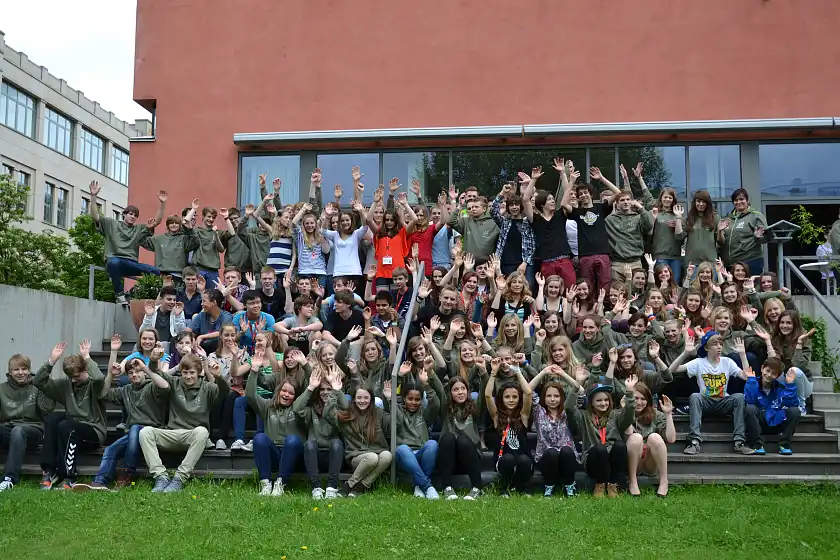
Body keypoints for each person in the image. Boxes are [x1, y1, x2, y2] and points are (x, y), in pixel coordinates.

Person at [76, 346, 170, 491]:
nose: (134, 375)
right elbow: (103, 395)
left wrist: (145, 368)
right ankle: (100, 482)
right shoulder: (126, 390)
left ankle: (127, 473)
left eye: (137, 371)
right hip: (133, 434)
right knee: (111, 449)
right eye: (130, 373)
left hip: (154, 432)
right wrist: (111, 376)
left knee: (134, 429)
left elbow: (165, 387)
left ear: (144, 372)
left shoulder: (152, 386)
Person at [139, 355, 229, 492]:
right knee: (145, 432)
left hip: (193, 436)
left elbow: (224, 391)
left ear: (198, 373)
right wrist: (152, 359)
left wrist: (219, 377)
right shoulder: (175, 382)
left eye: (192, 372)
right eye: (185, 373)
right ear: (181, 372)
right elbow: (156, 371)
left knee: (202, 431)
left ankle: (179, 479)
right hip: (171, 433)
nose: (188, 376)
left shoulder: (207, 387)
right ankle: (160, 477)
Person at [669, 332, 755, 456]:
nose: (719, 346)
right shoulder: (699, 362)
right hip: (705, 403)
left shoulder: (727, 362)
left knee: (739, 397)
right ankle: (694, 441)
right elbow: (672, 370)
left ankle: (739, 442)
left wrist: (742, 355)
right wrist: (685, 353)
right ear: (706, 347)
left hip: (723, 402)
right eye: (715, 344)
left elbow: (746, 376)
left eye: (721, 343)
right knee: (695, 396)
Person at [35, 340, 106, 490]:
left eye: (78, 375)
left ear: (85, 369)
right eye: (71, 376)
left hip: (93, 431)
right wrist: (51, 361)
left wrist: (86, 356)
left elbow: (100, 377)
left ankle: (68, 477)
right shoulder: (66, 384)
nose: (75, 379)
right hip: (70, 429)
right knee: (53, 418)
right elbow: (38, 381)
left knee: (67, 426)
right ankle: (49, 471)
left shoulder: (95, 384)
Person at [89, 180, 166, 304]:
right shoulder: (111, 224)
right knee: (113, 262)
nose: (133, 217)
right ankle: (119, 294)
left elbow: (156, 221)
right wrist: (93, 196)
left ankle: (131, 293)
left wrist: (162, 203)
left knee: (156, 272)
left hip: (131, 264)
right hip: (115, 261)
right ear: (124, 214)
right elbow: (95, 216)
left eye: (135, 215)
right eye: (130, 214)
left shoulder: (138, 229)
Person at [565, 376, 635, 498]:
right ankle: (600, 484)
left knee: (620, 445)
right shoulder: (583, 417)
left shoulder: (615, 415)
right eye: (598, 401)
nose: (603, 403)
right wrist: (577, 385)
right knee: (599, 448)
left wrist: (629, 392)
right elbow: (569, 408)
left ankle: (613, 484)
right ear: (591, 402)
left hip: (611, 461)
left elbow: (629, 415)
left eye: (606, 400)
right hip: (594, 461)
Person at [324, 374, 392, 498]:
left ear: (371, 399)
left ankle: (361, 486)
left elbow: (395, 423)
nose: (362, 401)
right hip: (357, 457)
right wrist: (335, 391)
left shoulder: (378, 413)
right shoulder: (347, 415)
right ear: (354, 399)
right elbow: (327, 414)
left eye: (366, 398)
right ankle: (349, 486)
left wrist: (390, 400)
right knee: (372, 457)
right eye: (359, 397)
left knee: (387, 455)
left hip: (377, 454)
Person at [246, 359, 305, 496]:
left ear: (296, 397)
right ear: (278, 391)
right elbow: (250, 396)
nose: (286, 395)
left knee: (293, 440)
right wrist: (254, 371)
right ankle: (266, 484)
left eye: (291, 393)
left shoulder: (299, 409)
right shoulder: (267, 406)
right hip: (274, 455)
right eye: (284, 391)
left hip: (294, 456)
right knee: (259, 438)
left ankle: (280, 483)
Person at [385, 366, 442, 500]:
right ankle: (428, 487)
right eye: (410, 398)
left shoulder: (424, 412)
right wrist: (391, 398)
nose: (413, 402)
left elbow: (436, 404)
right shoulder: (397, 409)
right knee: (403, 448)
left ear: (421, 400)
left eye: (417, 399)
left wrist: (426, 385)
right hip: (403, 456)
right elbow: (397, 420)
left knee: (432, 443)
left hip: (421, 454)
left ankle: (419, 486)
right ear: (404, 398)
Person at [0, 353, 54, 492]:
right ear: (10, 372)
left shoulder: (37, 386)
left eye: (24, 369)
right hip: (8, 428)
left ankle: (9, 478)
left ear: (29, 370)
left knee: (18, 431)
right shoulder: (2, 389)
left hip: (33, 430)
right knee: (14, 430)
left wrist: (46, 388)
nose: (20, 373)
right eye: (16, 370)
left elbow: (47, 408)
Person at [528, 365, 581, 497]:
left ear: (562, 397)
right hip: (546, 459)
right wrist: (543, 372)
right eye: (549, 396)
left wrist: (563, 374)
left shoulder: (567, 411)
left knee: (566, 450)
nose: (552, 399)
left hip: (567, 459)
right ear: (543, 398)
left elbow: (580, 392)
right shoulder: (538, 411)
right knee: (551, 452)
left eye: (556, 396)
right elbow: (527, 391)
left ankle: (570, 487)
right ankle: (549, 487)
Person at [435, 372, 488, 500]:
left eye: (463, 388)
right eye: (455, 389)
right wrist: (431, 373)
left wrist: (484, 372)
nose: (460, 392)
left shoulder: (475, 407)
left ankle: (477, 488)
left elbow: (484, 389)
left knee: (463, 440)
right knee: (448, 438)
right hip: (449, 461)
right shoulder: (446, 408)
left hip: (470, 459)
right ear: (450, 393)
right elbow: (439, 390)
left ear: (467, 391)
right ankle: (447, 488)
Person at [522, 167, 576, 291]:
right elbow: (525, 199)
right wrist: (534, 179)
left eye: (553, 199)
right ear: (542, 203)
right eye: (550, 199)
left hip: (564, 260)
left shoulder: (560, 215)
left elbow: (566, 196)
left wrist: (563, 174)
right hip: (547, 263)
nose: (553, 201)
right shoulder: (535, 219)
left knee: (570, 291)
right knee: (549, 293)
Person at [293, 370, 345, 499]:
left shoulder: (337, 409)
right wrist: (310, 388)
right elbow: (296, 408)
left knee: (337, 443)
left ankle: (331, 487)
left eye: (329, 389)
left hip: (334, 457)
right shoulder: (312, 409)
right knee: (309, 444)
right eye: (322, 389)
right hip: (314, 457)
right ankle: (316, 487)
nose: (326, 392)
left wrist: (337, 391)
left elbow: (347, 407)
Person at [570, 164, 622, 293]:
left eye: (585, 192)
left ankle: (603, 309)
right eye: (580, 194)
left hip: (602, 253)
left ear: (591, 194)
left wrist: (601, 178)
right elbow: (564, 204)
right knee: (587, 287)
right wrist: (571, 182)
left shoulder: (601, 208)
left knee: (605, 285)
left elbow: (618, 193)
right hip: (585, 255)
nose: (583, 195)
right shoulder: (577, 212)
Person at [485, 357, 533, 496]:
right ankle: (505, 487)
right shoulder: (496, 417)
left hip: (523, 461)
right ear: (501, 399)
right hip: (503, 461)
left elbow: (528, 393)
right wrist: (493, 372)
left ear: (519, 399)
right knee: (509, 459)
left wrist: (517, 371)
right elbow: (488, 395)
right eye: (507, 397)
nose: (511, 400)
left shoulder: (523, 416)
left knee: (523, 460)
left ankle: (520, 487)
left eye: (514, 397)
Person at [627, 384, 676, 497]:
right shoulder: (621, 413)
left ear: (648, 400)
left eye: (643, 399)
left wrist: (668, 414)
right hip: (633, 461)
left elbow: (671, 438)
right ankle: (633, 482)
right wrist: (628, 410)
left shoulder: (655, 414)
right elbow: (628, 433)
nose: (639, 402)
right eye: (635, 398)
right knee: (636, 438)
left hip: (650, 461)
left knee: (655, 437)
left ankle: (664, 482)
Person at [744, 358, 801, 455]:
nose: (769, 375)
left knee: (795, 411)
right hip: (759, 424)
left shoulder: (781, 387)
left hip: (776, 422)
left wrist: (790, 384)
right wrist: (752, 381)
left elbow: (793, 404)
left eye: (773, 373)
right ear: (762, 368)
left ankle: (784, 444)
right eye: (767, 371)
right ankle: (757, 444)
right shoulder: (753, 382)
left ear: (778, 376)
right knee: (750, 408)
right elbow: (749, 400)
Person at [490, 183, 536, 285]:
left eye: (516, 205)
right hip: (507, 263)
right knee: (507, 289)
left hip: (525, 263)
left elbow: (533, 246)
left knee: (528, 287)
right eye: (511, 205)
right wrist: (503, 193)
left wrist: (525, 263)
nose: (514, 207)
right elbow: (493, 211)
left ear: (521, 206)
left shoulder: (528, 222)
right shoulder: (505, 222)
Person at [605, 190, 654, 284]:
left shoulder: (638, 217)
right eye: (622, 200)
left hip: (635, 262)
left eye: (628, 199)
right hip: (617, 263)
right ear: (617, 203)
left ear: (632, 201)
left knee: (636, 292)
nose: (626, 202)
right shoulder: (609, 220)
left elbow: (649, 224)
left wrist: (640, 207)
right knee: (618, 292)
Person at [718, 188, 768, 273]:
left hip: (750, 262)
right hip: (730, 265)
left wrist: (758, 237)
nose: (738, 202)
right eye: (736, 200)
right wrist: (719, 231)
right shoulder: (728, 219)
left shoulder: (756, 216)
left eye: (741, 199)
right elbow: (721, 242)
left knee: (749, 286)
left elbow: (766, 237)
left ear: (747, 200)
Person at [443, 189, 500, 262]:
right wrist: (460, 206)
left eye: (476, 207)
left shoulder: (493, 222)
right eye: (472, 207)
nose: (473, 209)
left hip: (487, 264)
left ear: (484, 209)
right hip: (469, 264)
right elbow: (450, 221)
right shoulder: (466, 221)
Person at [141, 213, 197, 280]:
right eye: (171, 223)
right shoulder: (159, 239)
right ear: (167, 225)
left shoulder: (184, 239)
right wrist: (147, 229)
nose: (174, 225)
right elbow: (141, 241)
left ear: (179, 225)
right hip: (161, 275)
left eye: (176, 223)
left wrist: (191, 229)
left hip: (178, 275)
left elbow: (196, 243)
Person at [650, 189, 686, 285]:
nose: (667, 199)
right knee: (660, 282)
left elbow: (681, 237)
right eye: (665, 197)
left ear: (673, 200)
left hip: (676, 256)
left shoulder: (678, 215)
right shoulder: (656, 213)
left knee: (675, 282)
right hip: (660, 254)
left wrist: (677, 224)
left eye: (670, 197)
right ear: (661, 199)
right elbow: (649, 233)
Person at [188, 289, 234, 354]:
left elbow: (224, 332)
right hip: (201, 348)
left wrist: (202, 336)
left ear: (213, 303)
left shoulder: (226, 316)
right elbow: (188, 331)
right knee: (177, 339)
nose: (201, 304)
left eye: (204, 301)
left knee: (216, 340)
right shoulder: (202, 315)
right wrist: (190, 338)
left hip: (218, 350)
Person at [685, 191, 720, 272]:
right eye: (698, 201)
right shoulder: (689, 218)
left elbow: (721, 242)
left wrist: (720, 231)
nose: (701, 204)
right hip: (692, 264)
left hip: (710, 262)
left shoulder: (715, 217)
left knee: (711, 285)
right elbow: (680, 237)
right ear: (694, 202)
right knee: (691, 285)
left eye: (704, 202)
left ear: (708, 203)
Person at [232, 290, 276, 354]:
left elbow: (271, 341)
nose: (256, 306)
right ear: (244, 305)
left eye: (258, 302)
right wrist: (242, 333)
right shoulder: (238, 317)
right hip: (242, 351)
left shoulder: (269, 318)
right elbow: (232, 339)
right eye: (252, 303)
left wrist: (260, 332)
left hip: (263, 351)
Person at [191, 205, 226, 286]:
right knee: (198, 295)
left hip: (213, 270)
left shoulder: (217, 231)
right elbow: (185, 223)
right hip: (199, 268)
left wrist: (216, 235)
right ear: (203, 216)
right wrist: (193, 209)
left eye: (213, 217)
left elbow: (221, 250)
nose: (211, 219)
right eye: (209, 216)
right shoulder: (196, 230)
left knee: (212, 295)